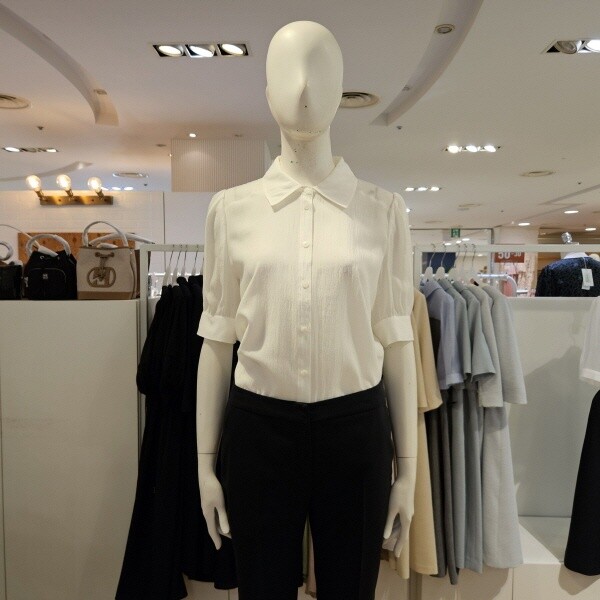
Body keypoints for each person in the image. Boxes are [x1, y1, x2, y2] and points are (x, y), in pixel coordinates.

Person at [196, 21, 417, 600]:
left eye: (319, 71)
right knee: (262, 590)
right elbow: (217, 340)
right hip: (259, 429)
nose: (302, 87)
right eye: (286, 73)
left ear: (342, 91)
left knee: (351, 591)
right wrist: (204, 464)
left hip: (356, 429)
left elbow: (398, 340)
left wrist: (409, 472)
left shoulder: (383, 212)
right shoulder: (231, 211)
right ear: (267, 92)